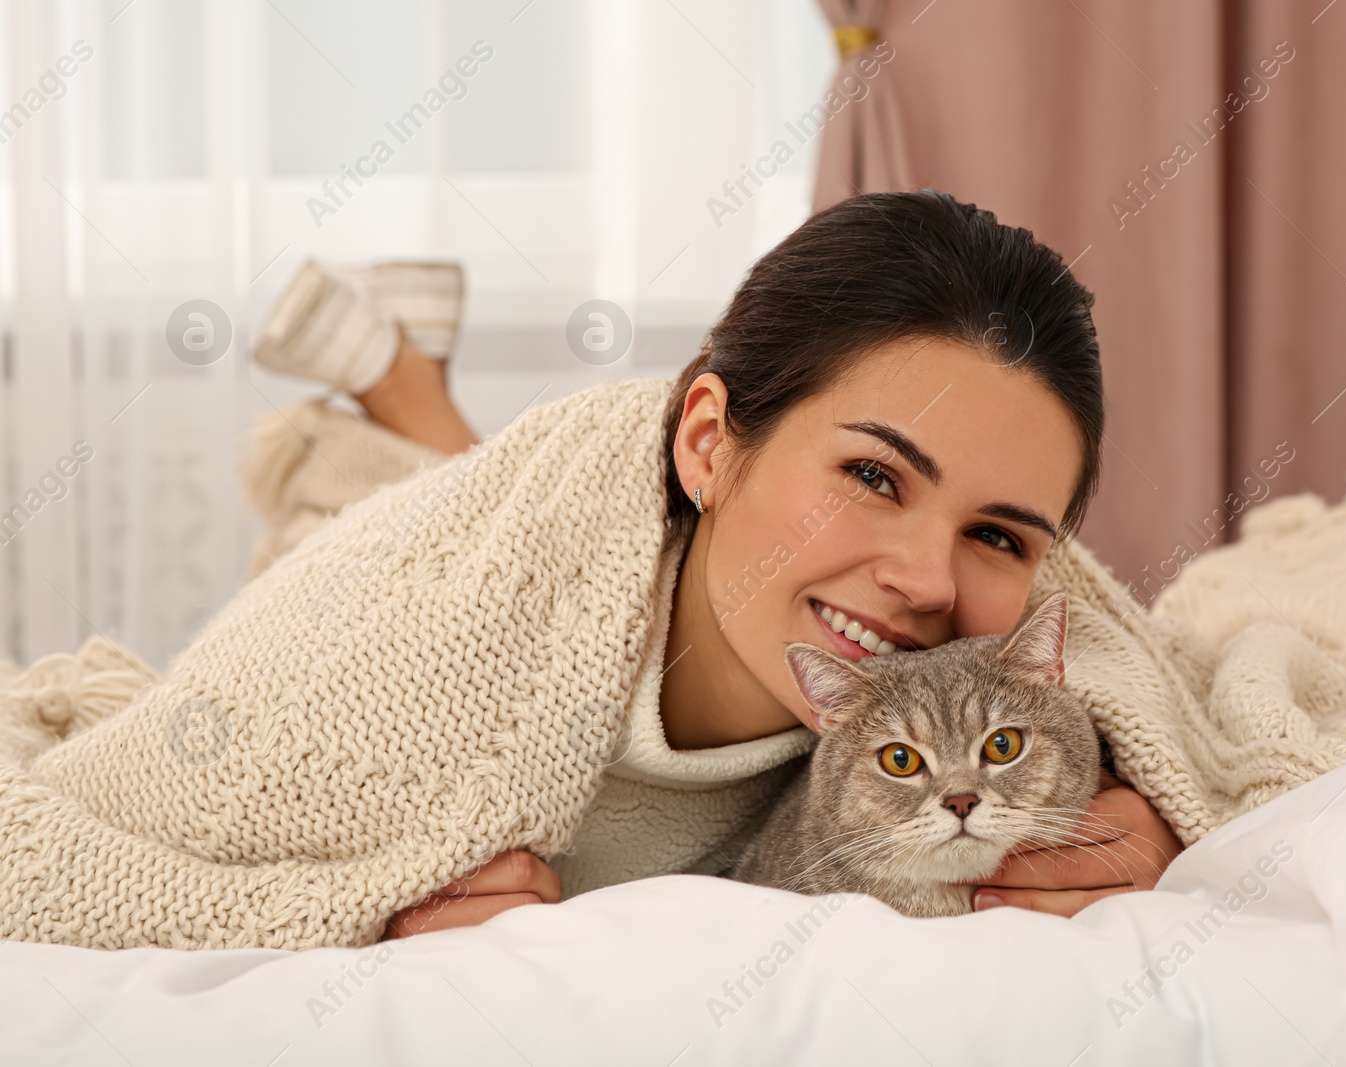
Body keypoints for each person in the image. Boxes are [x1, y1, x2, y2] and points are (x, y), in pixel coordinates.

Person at [0, 191, 1182, 949]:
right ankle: (403, 397)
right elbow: (35, 861)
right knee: (325, 526)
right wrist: (348, 920)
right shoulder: (381, 659)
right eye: (873, 476)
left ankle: (414, 389)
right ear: (709, 440)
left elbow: (1214, 724)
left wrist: (1161, 823)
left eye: (999, 534)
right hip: (407, 595)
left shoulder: (1014, 624)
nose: (927, 579)